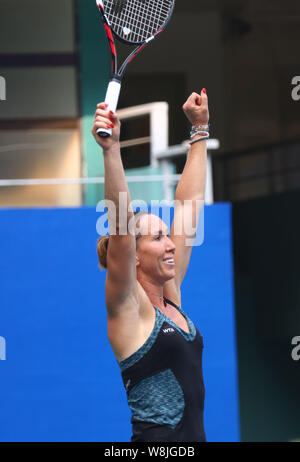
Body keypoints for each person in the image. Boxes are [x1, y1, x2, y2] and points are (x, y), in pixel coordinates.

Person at [92, 89, 209, 442]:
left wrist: (200, 131)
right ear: (135, 257)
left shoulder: (171, 297)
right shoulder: (129, 307)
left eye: (167, 236)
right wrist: (112, 150)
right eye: (158, 238)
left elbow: (188, 205)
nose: (171, 243)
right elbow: (122, 230)